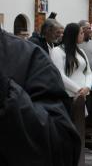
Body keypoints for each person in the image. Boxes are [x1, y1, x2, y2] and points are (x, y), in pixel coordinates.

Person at [0, 28, 81, 165]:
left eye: (61, 32)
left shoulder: (30, 56)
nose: (58, 34)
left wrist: (5, 93)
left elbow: (62, 150)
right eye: (57, 31)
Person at [51, 23, 92, 100]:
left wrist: (87, 87)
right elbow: (60, 75)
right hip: (69, 95)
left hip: (85, 94)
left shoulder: (81, 51)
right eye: (81, 33)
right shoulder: (57, 51)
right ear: (73, 35)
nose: (83, 35)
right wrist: (79, 90)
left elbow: (88, 72)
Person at [78, 20, 92, 85]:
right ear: (82, 29)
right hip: (81, 79)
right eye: (89, 28)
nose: (91, 30)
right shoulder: (76, 44)